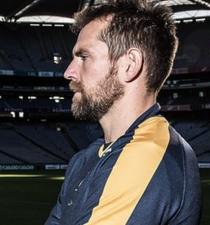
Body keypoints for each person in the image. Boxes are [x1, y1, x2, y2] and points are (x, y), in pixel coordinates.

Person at [45, 0, 201, 224]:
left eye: (84, 57)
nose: (69, 72)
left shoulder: (148, 153)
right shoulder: (86, 157)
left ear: (129, 65)